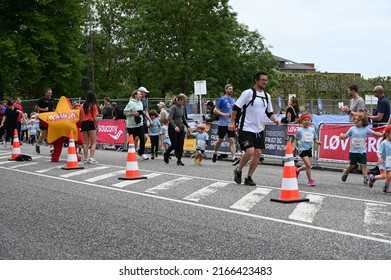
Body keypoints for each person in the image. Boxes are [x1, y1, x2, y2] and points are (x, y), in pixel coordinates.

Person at [228, 71, 280, 186]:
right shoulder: (248, 93)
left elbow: (269, 112)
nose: (265, 82)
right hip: (245, 127)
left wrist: (275, 119)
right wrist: (231, 122)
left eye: (266, 80)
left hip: (258, 129)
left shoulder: (267, 96)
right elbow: (236, 107)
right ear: (256, 80)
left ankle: (249, 177)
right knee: (250, 151)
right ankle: (239, 170)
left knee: (258, 153)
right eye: (263, 80)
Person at [340, 113, 383, 185]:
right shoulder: (352, 129)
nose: (356, 121)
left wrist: (382, 134)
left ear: (363, 121)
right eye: (355, 120)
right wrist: (342, 136)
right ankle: (346, 172)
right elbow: (345, 136)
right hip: (353, 151)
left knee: (364, 165)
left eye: (358, 120)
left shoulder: (365, 129)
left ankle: (365, 178)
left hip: (362, 151)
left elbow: (374, 133)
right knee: (352, 165)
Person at [212, 84, 239, 165]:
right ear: (226, 90)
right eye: (230, 89)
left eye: (232, 89)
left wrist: (235, 121)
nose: (231, 90)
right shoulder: (222, 99)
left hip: (230, 124)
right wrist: (223, 114)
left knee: (232, 140)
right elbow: (215, 110)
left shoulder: (233, 100)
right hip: (222, 124)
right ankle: (215, 152)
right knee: (220, 140)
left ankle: (234, 158)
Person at [292, 114, 322, 186]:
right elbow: (296, 140)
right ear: (302, 121)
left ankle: (297, 170)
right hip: (302, 150)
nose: (307, 122)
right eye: (305, 120)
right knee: (308, 165)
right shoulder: (299, 131)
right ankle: (310, 180)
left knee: (309, 165)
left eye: (308, 120)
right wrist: (293, 147)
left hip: (309, 149)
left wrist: (318, 142)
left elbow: (315, 139)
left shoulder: (312, 130)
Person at [163, 93, 191, 166]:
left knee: (180, 144)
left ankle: (179, 160)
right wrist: (175, 126)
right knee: (174, 144)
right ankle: (166, 153)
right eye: (184, 101)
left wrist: (187, 126)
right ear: (180, 100)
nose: (185, 102)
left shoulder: (182, 107)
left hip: (181, 127)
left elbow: (183, 118)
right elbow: (170, 118)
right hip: (173, 128)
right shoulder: (173, 107)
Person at [123, 90, 149, 160]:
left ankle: (142, 153)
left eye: (141, 94)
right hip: (131, 125)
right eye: (139, 94)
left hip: (139, 123)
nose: (141, 95)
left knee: (142, 138)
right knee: (132, 139)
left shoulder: (140, 102)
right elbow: (125, 112)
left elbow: (140, 111)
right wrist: (133, 113)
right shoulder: (131, 103)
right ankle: (130, 152)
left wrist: (141, 113)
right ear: (135, 95)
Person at [369, 126, 391, 193]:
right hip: (383, 161)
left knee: (389, 176)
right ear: (387, 134)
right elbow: (378, 151)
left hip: (389, 160)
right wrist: (379, 157)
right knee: (384, 176)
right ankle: (373, 178)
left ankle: (386, 188)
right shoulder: (384, 143)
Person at [80, 90, 99, 164]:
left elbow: (80, 116)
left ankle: (85, 158)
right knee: (94, 142)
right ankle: (91, 158)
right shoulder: (93, 106)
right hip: (90, 123)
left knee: (86, 142)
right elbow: (94, 118)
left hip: (83, 124)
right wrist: (97, 126)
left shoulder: (82, 105)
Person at [35, 88, 55, 154]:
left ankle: (51, 148)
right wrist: (43, 109)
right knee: (44, 133)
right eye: (49, 93)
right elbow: (36, 108)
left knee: (50, 133)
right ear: (45, 93)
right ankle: (38, 144)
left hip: (50, 118)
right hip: (43, 118)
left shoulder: (52, 100)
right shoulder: (42, 99)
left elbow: (53, 108)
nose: (50, 94)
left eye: (51, 93)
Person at [138, 86, 152, 152]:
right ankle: (133, 150)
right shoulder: (135, 100)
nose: (146, 94)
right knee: (136, 138)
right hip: (137, 121)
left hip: (144, 121)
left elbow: (146, 111)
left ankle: (141, 150)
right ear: (140, 92)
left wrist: (150, 120)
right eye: (145, 92)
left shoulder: (144, 100)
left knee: (146, 137)